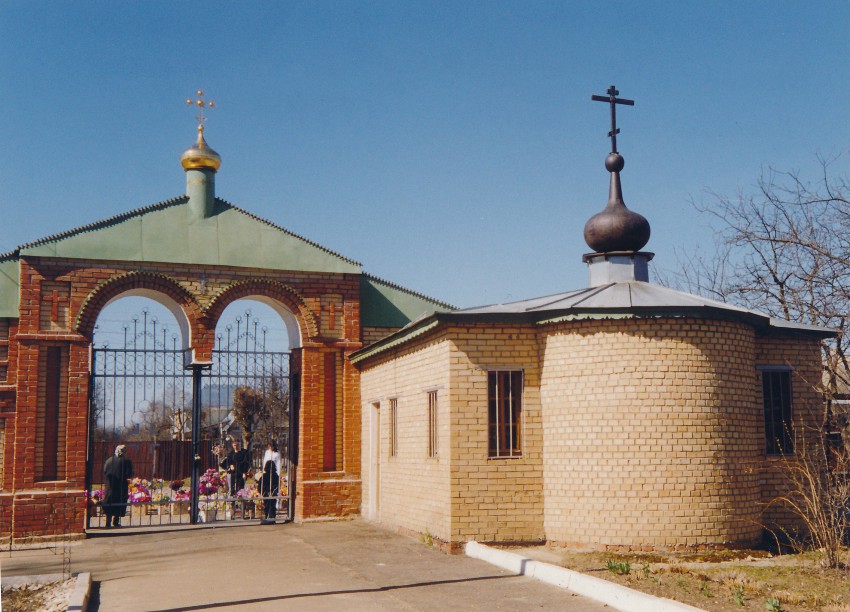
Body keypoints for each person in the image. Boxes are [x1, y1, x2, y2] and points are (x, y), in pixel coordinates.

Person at [102, 444, 133, 528]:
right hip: (121, 486)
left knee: (109, 502)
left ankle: (108, 522)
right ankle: (116, 521)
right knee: (119, 502)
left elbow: (105, 471)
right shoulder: (126, 461)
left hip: (110, 486)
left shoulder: (109, 460)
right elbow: (128, 474)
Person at [260, 440, 281, 522]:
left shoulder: (277, 454)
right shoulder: (267, 452)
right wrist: (263, 471)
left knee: (273, 498)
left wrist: (278, 474)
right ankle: (267, 515)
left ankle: (272, 516)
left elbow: (278, 464)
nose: (270, 447)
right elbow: (265, 462)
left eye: (272, 446)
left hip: (274, 473)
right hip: (267, 472)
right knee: (266, 499)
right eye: (269, 446)